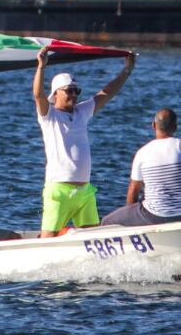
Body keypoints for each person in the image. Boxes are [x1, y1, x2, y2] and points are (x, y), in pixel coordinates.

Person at [32, 46, 135, 236]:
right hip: (59, 191)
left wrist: (127, 69)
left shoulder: (82, 112)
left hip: (85, 192)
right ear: (55, 94)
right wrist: (41, 67)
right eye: (68, 91)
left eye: (76, 90)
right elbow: (38, 96)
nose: (74, 94)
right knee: (47, 240)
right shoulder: (49, 116)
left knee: (93, 238)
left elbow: (107, 93)